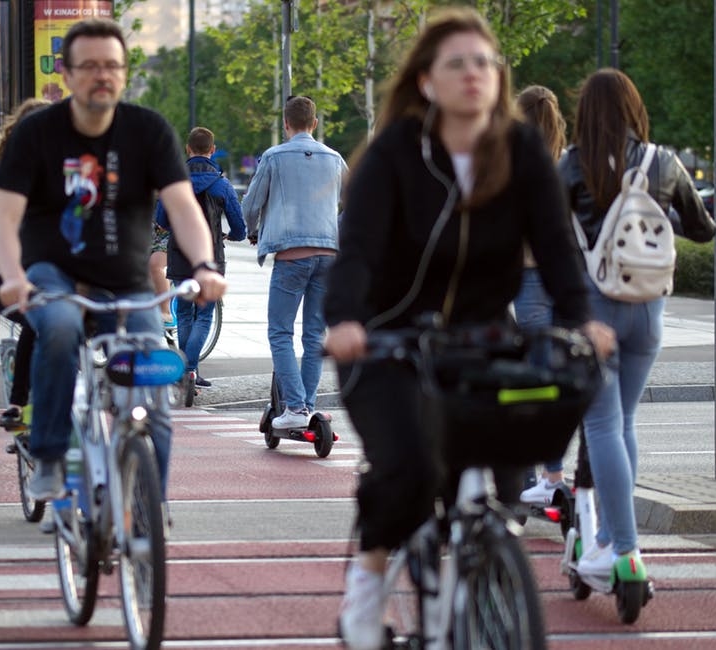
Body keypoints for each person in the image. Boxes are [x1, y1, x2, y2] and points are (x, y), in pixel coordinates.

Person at [321, 8, 616, 649]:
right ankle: (367, 589)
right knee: (409, 468)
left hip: (481, 337)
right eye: (457, 63)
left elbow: (558, 248)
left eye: (484, 62)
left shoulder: (520, 150)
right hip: (386, 339)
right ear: (427, 81)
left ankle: (482, 586)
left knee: (506, 474)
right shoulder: (397, 152)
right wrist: (344, 320)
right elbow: (360, 250)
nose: (474, 74)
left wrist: (579, 321)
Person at [0, 18, 226, 501]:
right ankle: (51, 454)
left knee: (152, 387)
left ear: (124, 71)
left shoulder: (148, 130)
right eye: (90, 66)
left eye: (112, 66)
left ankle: (148, 510)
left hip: (129, 282)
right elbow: (4, 217)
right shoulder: (37, 134)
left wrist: (204, 266)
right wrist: (12, 277)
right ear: (66, 72)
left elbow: (182, 206)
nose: (103, 75)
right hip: (55, 275)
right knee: (56, 329)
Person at [558, 68, 716, 579]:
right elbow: (702, 229)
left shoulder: (572, 165)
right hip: (649, 311)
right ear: (633, 109)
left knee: (601, 424)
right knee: (624, 423)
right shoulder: (663, 162)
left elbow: (549, 236)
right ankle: (607, 539)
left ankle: (623, 549)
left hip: (595, 311)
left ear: (585, 112)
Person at [241, 96, 347, 429]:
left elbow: (251, 203)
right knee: (315, 335)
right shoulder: (334, 158)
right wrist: (334, 231)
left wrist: (252, 231)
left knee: (280, 332)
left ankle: (296, 408)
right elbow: (355, 201)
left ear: (286, 123)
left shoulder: (274, 156)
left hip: (291, 256)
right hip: (328, 255)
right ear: (314, 123)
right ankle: (309, 406)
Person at [0, 98, 52, 432]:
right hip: (17, 272)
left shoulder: (73, 169)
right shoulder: (9, 175)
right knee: (38, 320)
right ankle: (19, 402)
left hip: (63, 273)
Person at [513, 84, 570, 505]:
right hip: (569, 284)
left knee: (532, 381)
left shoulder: (513, 164)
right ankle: (554, 476)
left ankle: (532, 476)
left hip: (529, 280)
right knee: (560, 381)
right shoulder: (569, 166)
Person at [156, 126, 246, 387]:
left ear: (188, 149)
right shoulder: (222, 185)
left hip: (179, 257)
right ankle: (190, 368)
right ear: (213, 150)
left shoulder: (174, 183)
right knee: (204, 316)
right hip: (212, 258)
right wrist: (234, 237)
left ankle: (184, 371)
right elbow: (238, 226)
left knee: (184, 314)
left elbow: (161, 219)